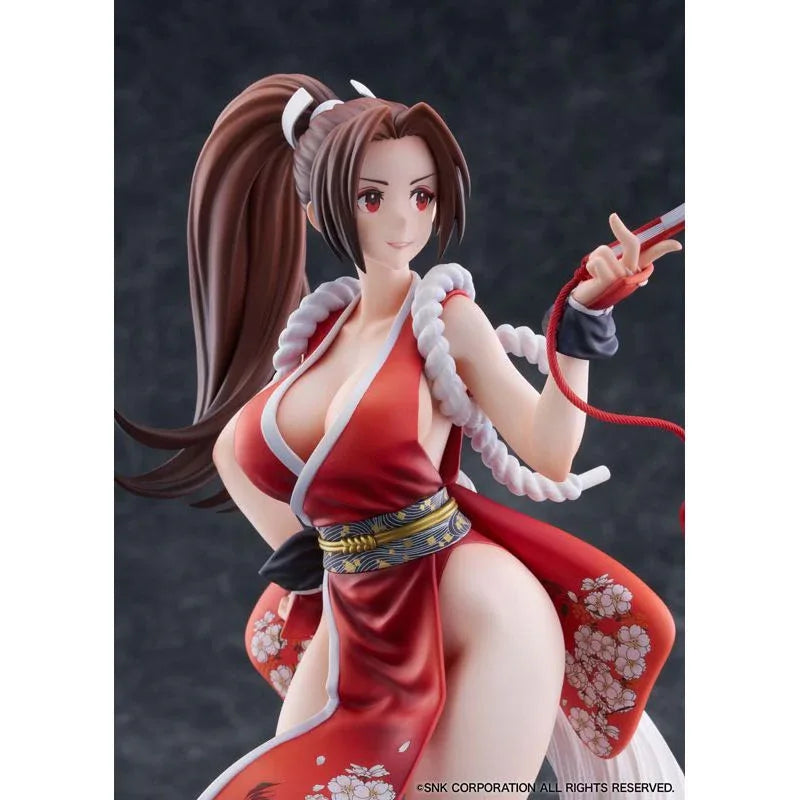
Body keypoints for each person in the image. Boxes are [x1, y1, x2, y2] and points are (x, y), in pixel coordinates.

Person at [116, 73, 684, 800]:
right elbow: (237, 447)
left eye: (422, 195)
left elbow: (550, 452)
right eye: (371, 197)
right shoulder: (319, 332)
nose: (402, 220)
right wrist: (314, 548)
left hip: (477, 609)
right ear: (319, 210)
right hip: (359, 615)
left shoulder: (442, 317)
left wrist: (582, 322)